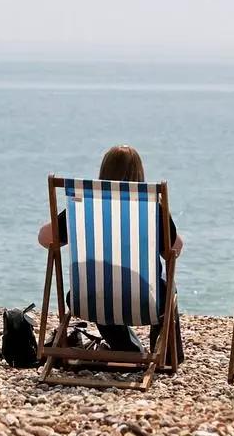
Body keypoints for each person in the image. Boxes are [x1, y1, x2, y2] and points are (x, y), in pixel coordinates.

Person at [38, 145, 184, 362]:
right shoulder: (152, 207)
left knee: (103, 289)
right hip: (145, 301)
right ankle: (168, 356)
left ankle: (129, 350)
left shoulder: (83, 206)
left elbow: (45, 238)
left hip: (87, 299)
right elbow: (174, 250)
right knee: (167, 286)